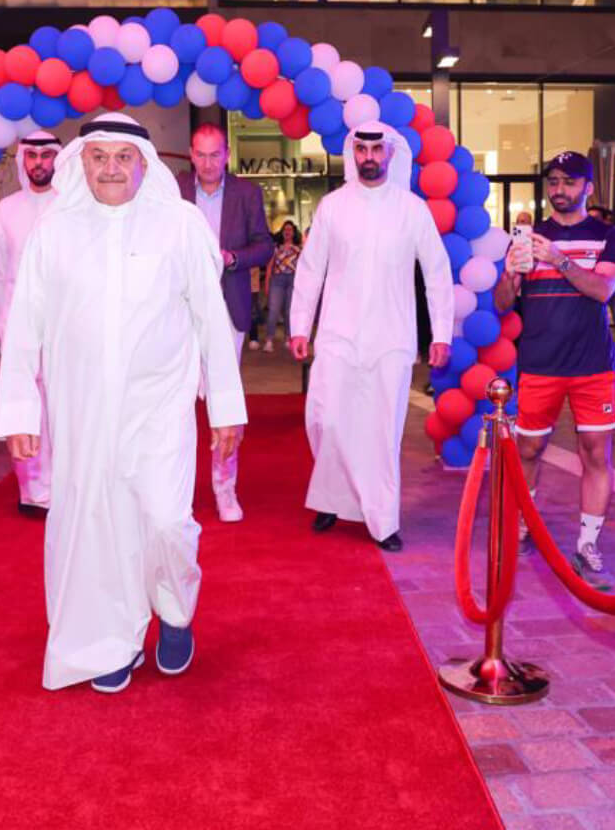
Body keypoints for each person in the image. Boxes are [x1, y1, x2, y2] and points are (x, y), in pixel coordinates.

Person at [0, 113, 246, 694]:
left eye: (122, 157)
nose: (110, 168)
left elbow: (212, 318)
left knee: (165, 522)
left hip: (160, 409)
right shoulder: (54, 233)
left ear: (143, 163)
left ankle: (176, 612)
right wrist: (18, 415)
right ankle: (111, 638)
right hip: (81, 413)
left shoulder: (178, 225)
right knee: (97, 527)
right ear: (80, 163)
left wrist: (227, 407)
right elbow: (24, 327)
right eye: (99, 157)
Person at [289, 122, 453, 552]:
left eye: (376, 150)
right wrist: (300, 326)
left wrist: (441, 333)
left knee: (381, 431)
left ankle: (382, 519)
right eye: (361, 149)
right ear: (353, 153)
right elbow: (310, 270)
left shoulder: (412, 209)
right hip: (338, 333)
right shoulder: (332, 207)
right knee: (325, 419)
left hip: (392, 336)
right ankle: (332, 497)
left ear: (391, 155)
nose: (368, 157)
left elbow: (436, 272)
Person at [495, 151, 615, 589]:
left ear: (588, 188)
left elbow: (602, 289)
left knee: (594, 453)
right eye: (553, 181)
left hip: (592, 365)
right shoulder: (528, 238)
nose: (559, 189)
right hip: (540, 363)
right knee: (528, 452)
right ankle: (523, 526)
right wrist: (510, 277)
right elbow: (501, 305)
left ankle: (588, 544)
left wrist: (559, 259)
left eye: (569, 182)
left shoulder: (608, 236)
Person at [177, 123, 274, 522]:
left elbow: (265, 245)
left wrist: (232, 258)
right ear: (190, 154)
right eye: (200, 155)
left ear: (228, 155)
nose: (207, 163)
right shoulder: (173, 190)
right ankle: (175, 489)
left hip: (228, 309)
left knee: (225, 402)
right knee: (174, 404)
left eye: (215, 155)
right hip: (176, 311)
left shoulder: (247, 193)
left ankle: (225, 489)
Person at [0, 131, 60, 514]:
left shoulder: (72, 204)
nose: (39, 162)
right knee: (24, 404)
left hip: (65, 324)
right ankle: (31, 490)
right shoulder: (8, 208)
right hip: (16, 322)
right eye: (33, 156)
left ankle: (64, 485)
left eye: (46, 155)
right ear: (23, 161)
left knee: (62, 405)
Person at [589, 205, 615, 366]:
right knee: (596, 319)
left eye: (597, 218)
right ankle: (597, 353)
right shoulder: (588, 238)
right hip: (594, 286)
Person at [263, 220, 302, 352]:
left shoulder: (299, 248)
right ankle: (269, 340)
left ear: (293, 232)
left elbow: (303, 268)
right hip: (277, 281)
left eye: (290, 229)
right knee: (273, 311)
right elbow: (269, 267)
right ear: (282, 232)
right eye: (285, 229)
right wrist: (267, 284)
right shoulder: (276, 247)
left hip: (293, 280)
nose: (287, 231)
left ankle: (288, 338)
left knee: (289, 311)